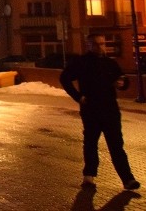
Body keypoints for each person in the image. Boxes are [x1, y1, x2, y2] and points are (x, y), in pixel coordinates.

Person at [60, 34, 140, 191]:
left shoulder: (110, 63)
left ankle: (128, 179)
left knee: (116, 145)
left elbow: (122, 79)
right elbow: (64, 78)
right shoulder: (81, 62)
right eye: (96, 44)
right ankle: (89, 175)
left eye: (103, 44)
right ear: (88, 45)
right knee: (91, 143)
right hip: (91, 110)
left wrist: (122, 83)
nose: (100, 47)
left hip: (110, 110)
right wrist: (78, 97)